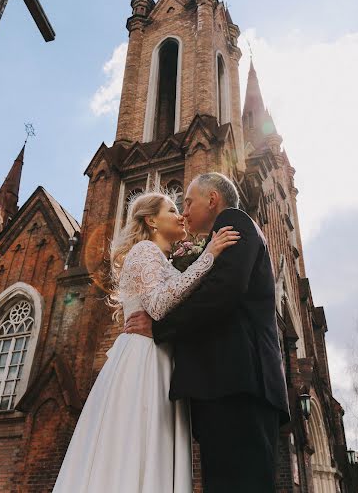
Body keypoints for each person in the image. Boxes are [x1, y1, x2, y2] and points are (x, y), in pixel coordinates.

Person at [52, 191, 239, 493]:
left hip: (161, 356)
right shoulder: (145, 251)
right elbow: (157, 305)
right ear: (152, 220)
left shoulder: (162, 259)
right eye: (172, 208)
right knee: (137, 442)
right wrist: (209, 257)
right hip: (144, 358)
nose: (181, 215)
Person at [125, 173, 291, 493]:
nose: (184, 212)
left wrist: (160, 327)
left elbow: (223, 291)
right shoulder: (215, 239)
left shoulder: (232, 222)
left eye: (187, 202)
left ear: (212, 200)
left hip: (238, 384)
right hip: (228, 386)